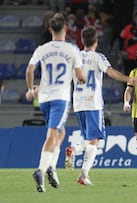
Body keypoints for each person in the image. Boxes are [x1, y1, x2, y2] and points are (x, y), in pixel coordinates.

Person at [67, 26, 137, 185]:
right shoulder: (98, 57)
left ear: (82, 40)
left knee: (89, 139)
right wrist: (129, 79)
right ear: (96, 41)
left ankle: (76, 152)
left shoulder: (75, 57)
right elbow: (111, 72)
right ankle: (82, 173)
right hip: (93, 103)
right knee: (95, 141)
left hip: (78, 103)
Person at [25, 13, 85, 192]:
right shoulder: (72, 49)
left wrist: (30, 90)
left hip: (43, 98)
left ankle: (52, 167)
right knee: (53, 134)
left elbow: (30, 70)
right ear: (65, 28)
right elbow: (80, 76)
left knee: (60, 132)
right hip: (60, 98)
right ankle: (41, 170)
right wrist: (82, 78)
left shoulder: (42, 49)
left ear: (50, 29)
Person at [120, 11, 137, 76]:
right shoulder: (129, 27)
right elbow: (121, 38)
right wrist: (122, 50)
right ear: (135, 18)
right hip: (129, 57)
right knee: (128, 75)